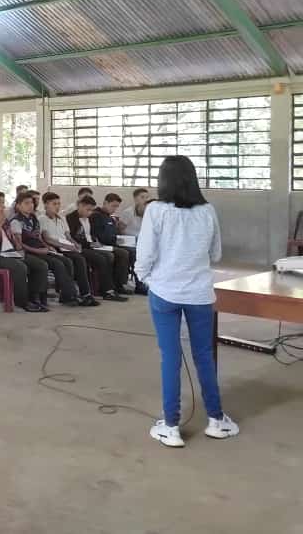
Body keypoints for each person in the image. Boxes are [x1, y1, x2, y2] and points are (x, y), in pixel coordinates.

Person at [137, 156, 238, 448]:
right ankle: (217, 420)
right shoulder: (207, 210)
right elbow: (216, 254)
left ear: (163, 180)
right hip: (200, 295)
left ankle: (170, 426)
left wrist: (148, 279)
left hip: (164, 293)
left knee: (170, 357)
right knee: (204, 355)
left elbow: (144, 256)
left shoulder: (155, 210)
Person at [0, 191, 48, 312]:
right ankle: (22, 301)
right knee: (21, 268)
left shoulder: (4, 219)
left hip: (11, 252)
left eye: (3, 203)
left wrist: (18, 246)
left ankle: (34, 297)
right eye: (0, 203)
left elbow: (11, 237)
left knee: (41, 265)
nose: (3, 206)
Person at [10, 192, 79, 306]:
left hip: (40, 249)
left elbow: (39, 238)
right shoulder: (16, 221)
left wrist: (47, 247)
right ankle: (38, 296)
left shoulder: (33, 218)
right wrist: (38, 250)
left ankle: (66, 295)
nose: (30, 205)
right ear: (18, 205)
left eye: (31, 203)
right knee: (56, 264)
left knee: (67, 261)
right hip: (28, 252)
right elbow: (19, 244)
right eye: (26, 203)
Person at [38, 192, 100, 306]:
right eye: (54, 203)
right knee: (73, 261)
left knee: (81, 259)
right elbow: (47, 239)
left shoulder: (62, 218)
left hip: (65, 246)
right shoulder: (42, 219)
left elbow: (68, 235)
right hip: (55, 247)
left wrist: (75, 244)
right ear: (46, 204)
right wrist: (67, 246)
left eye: (59, 203)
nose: (57, 206)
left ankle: (85, 293)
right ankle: (69, 294)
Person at [66, 195, 128, 302]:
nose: (90, 213)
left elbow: (91, 234)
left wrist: (95, 241)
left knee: (109, 256)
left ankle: (110, 287)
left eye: (91, 210)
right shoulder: (71, 218)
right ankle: (107, 291)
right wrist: (90, 244)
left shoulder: (88, 218)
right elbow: (74, 238)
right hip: (79, 248)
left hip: (91, 245)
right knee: (102, 259)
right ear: (80, 206)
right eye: (88, 210)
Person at [90, 193, 135, 295]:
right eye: (113, 206)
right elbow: (98, 235)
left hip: (110, 244)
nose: (115, 209)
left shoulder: (110, 218)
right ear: (105, 203)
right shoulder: (96, 216)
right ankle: (118, 285)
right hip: (101, 245)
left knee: (131, 251)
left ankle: (123, 282)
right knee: (123, 253)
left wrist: (118, 239)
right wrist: (115, 241)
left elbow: (113, 233)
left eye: (117, 206)